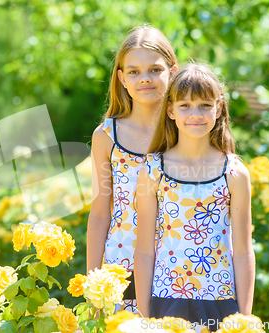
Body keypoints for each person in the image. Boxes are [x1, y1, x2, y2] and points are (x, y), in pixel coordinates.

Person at [134, 62, 255, 332]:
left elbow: (244, 250)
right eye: (185, 105)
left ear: (219, 108)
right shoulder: (153, 170)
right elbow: (143, 251)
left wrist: (244, 319)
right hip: (166, 300)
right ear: (171, 110)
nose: (195, 114)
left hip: (221, 302)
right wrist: (143, 318)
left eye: (205, 105)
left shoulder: (234, 173)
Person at [86, 24, 178, 314]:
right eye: (135, 72)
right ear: (122, 78)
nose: (145, 79)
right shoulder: (106, 136)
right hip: (120, 265)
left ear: (172, 71)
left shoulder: (188, 131)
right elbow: (101, 212)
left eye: (155, 70)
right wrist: (93, 283)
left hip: (178, 264)